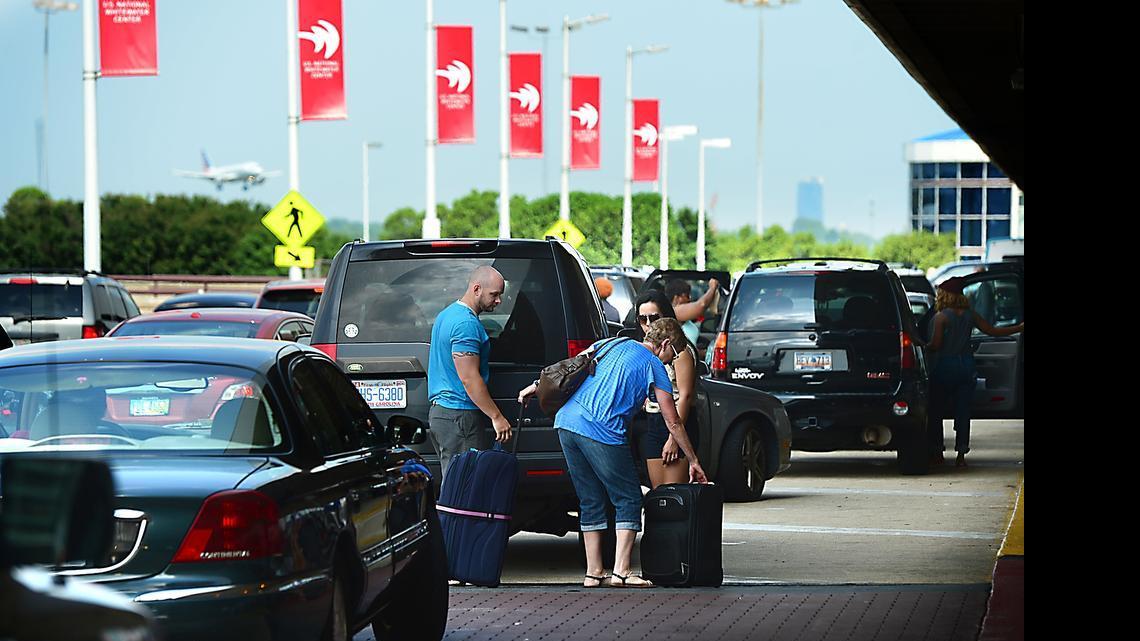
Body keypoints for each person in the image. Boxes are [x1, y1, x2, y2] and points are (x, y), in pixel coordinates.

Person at [517, 319, 707, 589]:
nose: (671, 361)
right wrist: (694, 460)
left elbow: (568, 369)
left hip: (567, 423)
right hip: (601, 430)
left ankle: (593, 573)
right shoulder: (654, 365)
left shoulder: (608, 342)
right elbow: (673, 420)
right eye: (673, 354)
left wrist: (535, 386)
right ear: (664, 344)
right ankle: (622, 571)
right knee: (628, 497)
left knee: (590, 499)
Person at [427, 265, 513, 484]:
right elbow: (469, 378)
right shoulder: (465, 324)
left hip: (445, 414)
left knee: (455, 484)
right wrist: (497, 417)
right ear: (476, 289)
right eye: (494, 294)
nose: (498, 301)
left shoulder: (447, 314)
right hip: (459, 416)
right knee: (463, 489)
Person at [926, 276, 1023, 468]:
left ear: (945, 294)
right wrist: (1019, 327)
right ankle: (961, 455)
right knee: (963, 411)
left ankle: (937, 452)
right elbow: (993, 331)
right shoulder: (970, 315)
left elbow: (936, 345)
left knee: (935, 410)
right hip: (967, 367)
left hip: (945, 367)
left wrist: (921, 345)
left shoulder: (941, 317)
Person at [630, 291, 701, 488]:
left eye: (653, 318)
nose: (648, 324)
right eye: (642, 319)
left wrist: (674, 439)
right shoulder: (645, 350)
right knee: (658, 493)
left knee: (672, 492)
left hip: (678, 422)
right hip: (653, 422)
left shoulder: (680, 350)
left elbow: (685, 396)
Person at [664, 278, 720, 347]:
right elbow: (702, 305)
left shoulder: (683, 316)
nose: (689, 298)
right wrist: (712, 288)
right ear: (677, 298)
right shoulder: (674, 311)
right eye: (687, 295)